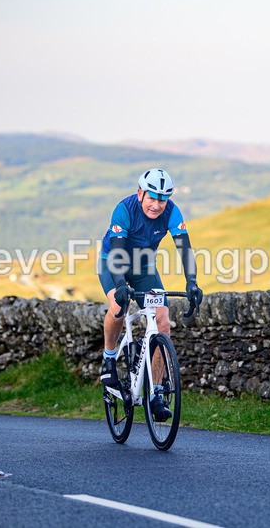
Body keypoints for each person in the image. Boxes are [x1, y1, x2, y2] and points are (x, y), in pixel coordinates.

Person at [98, 168, 203, 421]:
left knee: (163, 321)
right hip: (113, 263)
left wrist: (192, 282)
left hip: (144, 268)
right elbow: (118, 254)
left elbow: (185, 249)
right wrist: (121, 285)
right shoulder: (124, 210)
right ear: (140, 193)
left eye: (162, 199)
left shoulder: (172, 212)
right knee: (118, 307)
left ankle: (155, 392)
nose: (156, 205)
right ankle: (109, 358)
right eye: (152, 198)